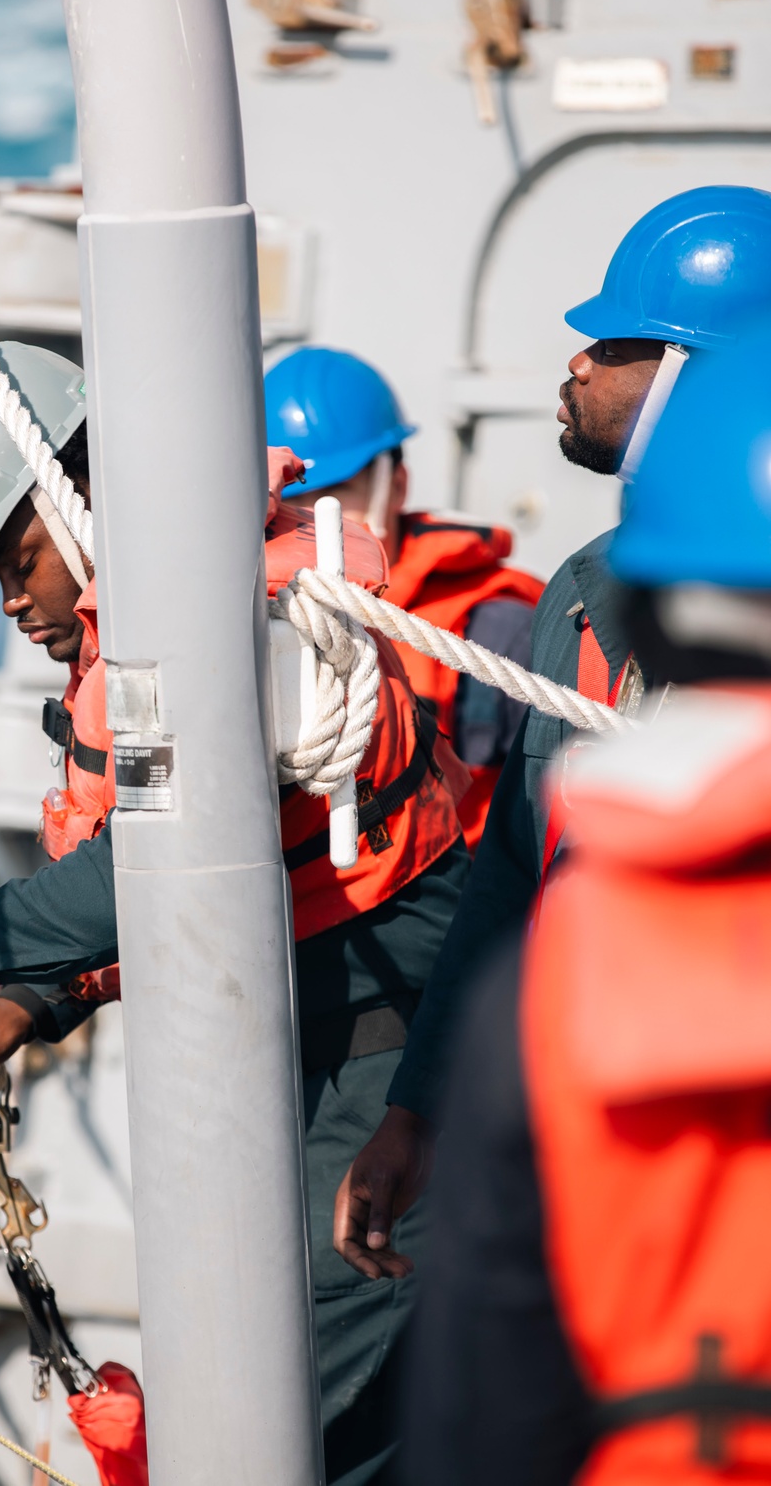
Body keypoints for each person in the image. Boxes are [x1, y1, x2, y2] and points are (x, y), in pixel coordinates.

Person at [0, 340, 473, 1485]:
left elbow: (146, 864)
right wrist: (29, 1001)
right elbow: (162, 877)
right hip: (314, 1039)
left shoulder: (199, 632)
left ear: (86, 497)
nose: (13, 601)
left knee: (303, 1386)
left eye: (19, 561)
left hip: (388, 1046)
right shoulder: (166, 606)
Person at [332, 183, 771, 1284]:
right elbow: (509, 881)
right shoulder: (577, 596)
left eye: (617, 344)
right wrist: (414, 1116)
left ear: (700, 381)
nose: (574, 364)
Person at [405, 325, 771, 1486]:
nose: (569, 364)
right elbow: (512, 860)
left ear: (654, 610)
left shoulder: (567, 986)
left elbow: (487, 1404)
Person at [265, 345, 544, 851]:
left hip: (443, 907)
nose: (308, 521)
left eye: (333, 496)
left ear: (396, 487)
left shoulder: (497, 629)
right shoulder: (245, 622)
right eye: (292, 500)